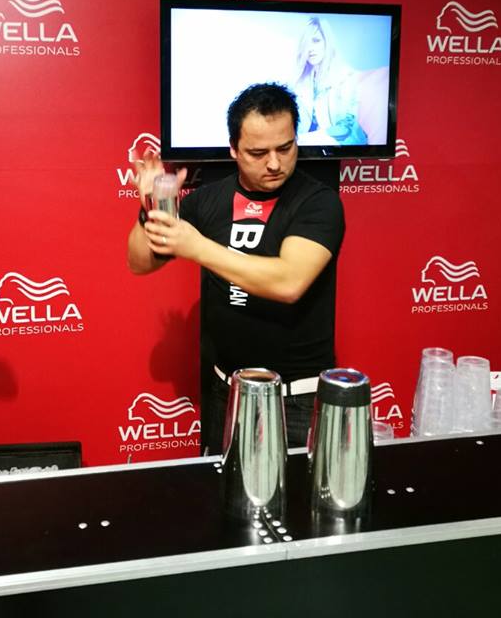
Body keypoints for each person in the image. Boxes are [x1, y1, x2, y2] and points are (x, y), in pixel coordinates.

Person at [127, 83, 344, 453]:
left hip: (295, 401)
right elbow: (140, 262)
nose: (274, 163)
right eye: (258, 152)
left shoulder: (319, 202)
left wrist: (198, 247)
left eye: (285, 148)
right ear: (233, 148)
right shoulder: (209, 200)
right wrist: (153, 206)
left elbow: (289, 282)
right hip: (225, 393)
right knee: (221, 489)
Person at [292, 16, 387, 146]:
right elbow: (297, 124)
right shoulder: (300, 82)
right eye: (306, 43)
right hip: (307, 146)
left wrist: (309, 138)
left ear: (327, 42)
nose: (310, 49)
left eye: (316, 41)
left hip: (342, 142)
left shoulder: (345, 77)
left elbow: (346, 127)